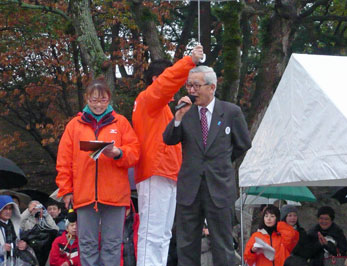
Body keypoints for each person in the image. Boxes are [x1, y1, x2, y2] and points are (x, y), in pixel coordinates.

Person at [163, 65, 252, 266]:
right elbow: (168, 139)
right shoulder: (186, 112)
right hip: (190, 188)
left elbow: (242, 144)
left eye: (196, 85)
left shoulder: (231, 112)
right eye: (189, 85)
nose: (192, 90)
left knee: (223, 243)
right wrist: (178, 117)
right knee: (186, 245)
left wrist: (221, 162)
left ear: (211, 87)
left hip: (219, 187)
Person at [132, 45, 204, 266]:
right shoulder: (148, 99)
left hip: (169, 172)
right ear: (156, 79)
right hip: (156, 171)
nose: (178, 84)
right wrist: (189, 61)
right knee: (152, 231)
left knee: (163, 234)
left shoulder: (162, 107)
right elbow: (166, 83)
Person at [56, 77, 140, 266]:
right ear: (86, 99)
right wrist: (66, 191)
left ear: (108, 99)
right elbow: (64, 161)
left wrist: (118, 152)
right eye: (94, 100)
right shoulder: (74, 126)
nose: (98, 104)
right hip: (84, 195)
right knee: (87, 244)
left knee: (112, 244)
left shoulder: (121, 123)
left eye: (102, 100)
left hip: (115, 195)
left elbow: (135, 153)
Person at [0, 195, 38, 266]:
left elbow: (25, 241)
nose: (8, 211)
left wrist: (24, 245)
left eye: (10, 208)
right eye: (5, 208)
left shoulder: (16, 225)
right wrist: (2, 249)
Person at [20, 200, 59, 266]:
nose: (36, 209)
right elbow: (18, 223)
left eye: (38, 206)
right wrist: (28, 211)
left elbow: (55, 229)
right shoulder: (26, 220)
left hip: (44, 251)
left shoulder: (45, 219)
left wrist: (46, 215)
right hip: (31, 251)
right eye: (34, 207)